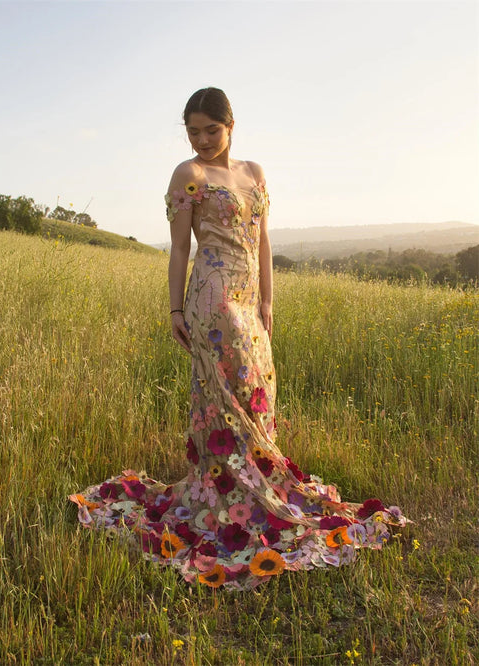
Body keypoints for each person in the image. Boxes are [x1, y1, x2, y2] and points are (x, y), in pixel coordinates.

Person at [70, 87, 408, 590]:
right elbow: (179, 249)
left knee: (258, 385)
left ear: (231, 125)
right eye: (193, 132)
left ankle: (254, 480)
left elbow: (265, 239)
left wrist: (268, 301)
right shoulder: (190, 176)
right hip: (212, 294)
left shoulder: (255, 173)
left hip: (250, 298)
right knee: (225, 391)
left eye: (211, 129)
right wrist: (175, 307)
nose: (203, 140)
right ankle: (225, 490)